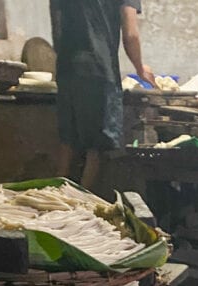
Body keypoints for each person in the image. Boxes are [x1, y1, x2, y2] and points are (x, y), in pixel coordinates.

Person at [50, 0, 155, 191]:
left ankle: (55, 198)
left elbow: (56, 28)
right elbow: (130, 35)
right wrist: (140, 68)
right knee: (97, 146)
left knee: (68, 140)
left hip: (67, 69)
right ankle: (83, 203)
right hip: (99, 68)